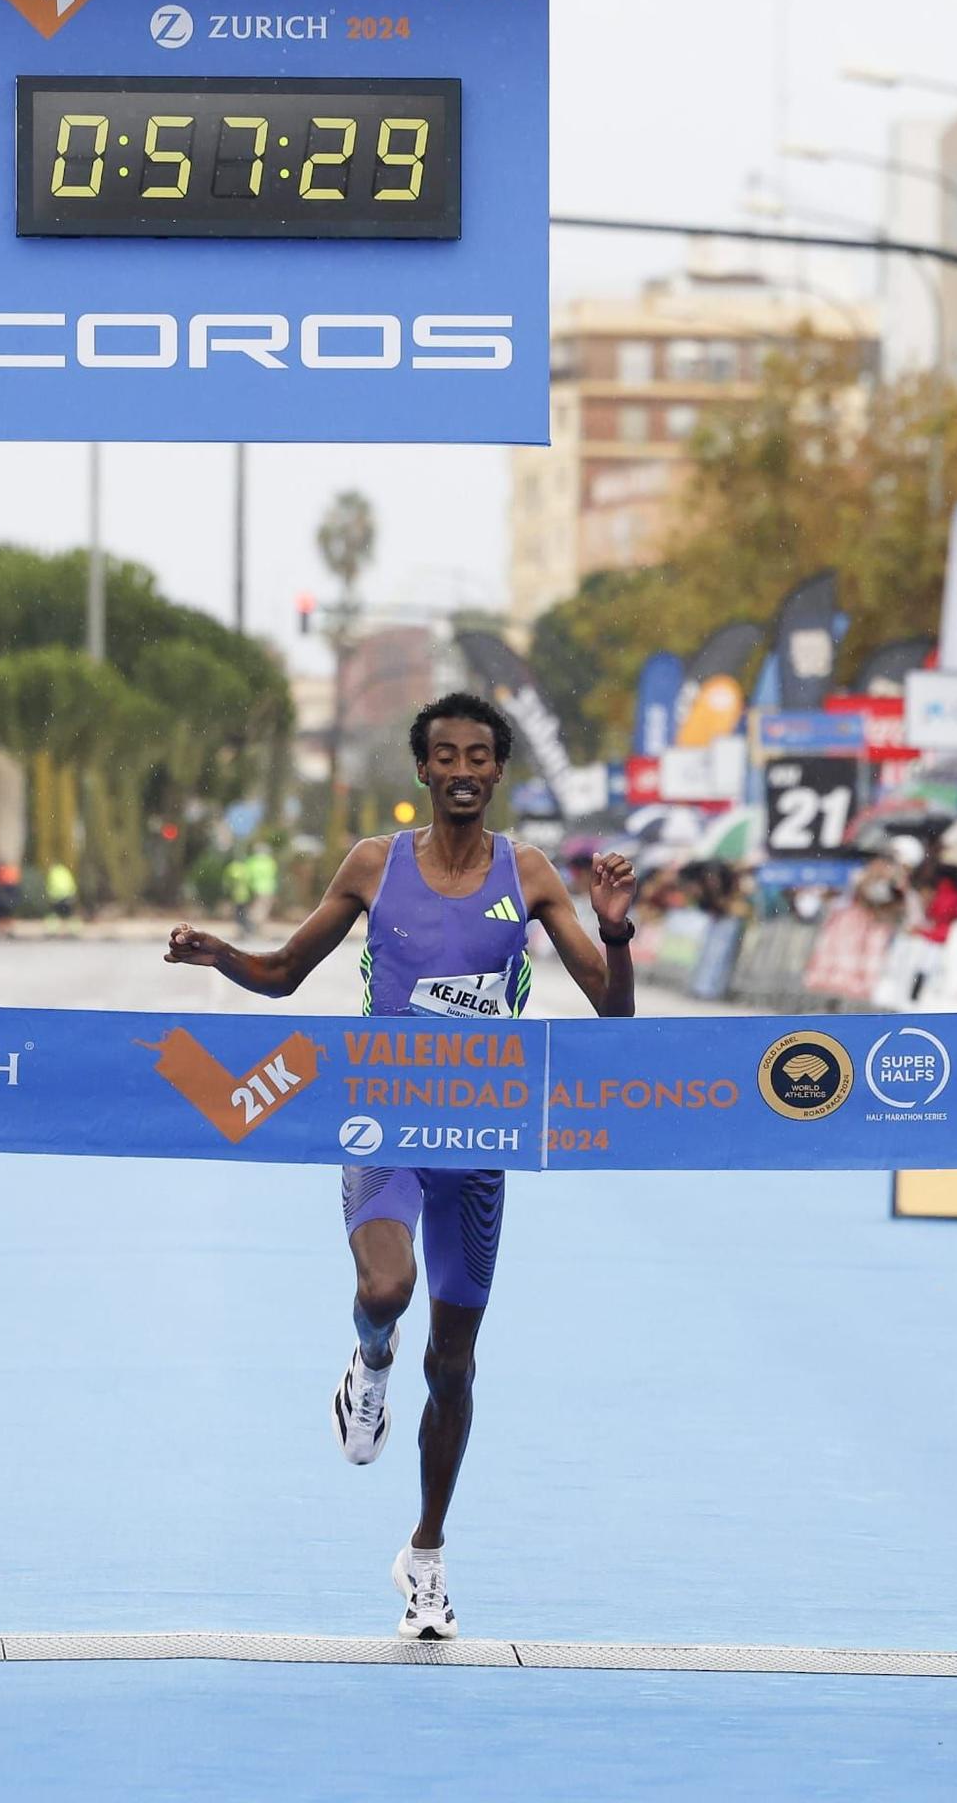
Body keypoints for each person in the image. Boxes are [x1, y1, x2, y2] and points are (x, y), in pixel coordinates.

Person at [165, 691, 637, 1641]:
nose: (463, 770)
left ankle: (425, 1555)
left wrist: (616, 932)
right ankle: (368, 1361)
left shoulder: (531, 872)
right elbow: (287, 972)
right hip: (382, 1117)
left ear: (498, 772)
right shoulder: (374, 867)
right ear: (422, 770)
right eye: (445, 756)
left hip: (482, 1135)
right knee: (387, 1286)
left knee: (455, 1365)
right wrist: (223, 955)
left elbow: (614, 1021)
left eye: (479, 757)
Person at [245, 842, 279, 930]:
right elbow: (274, 874)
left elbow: (248, 875)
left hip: (255, 888)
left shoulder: (252, 861)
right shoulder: (270, 862)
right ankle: (256, 925)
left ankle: (253, 923)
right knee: (264, 908)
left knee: (257, 907)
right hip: (268, 888)